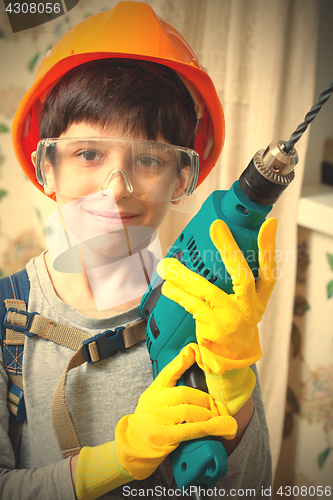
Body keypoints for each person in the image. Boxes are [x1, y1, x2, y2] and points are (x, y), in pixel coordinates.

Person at [0, 2, 277, 499]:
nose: (117, 188)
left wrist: (233, 381)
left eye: (148, 159)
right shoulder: (6, 321)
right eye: (89, 153)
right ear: (48, 167)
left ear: (182, 177)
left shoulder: (204, 315)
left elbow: (250, 488)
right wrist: (117, 460)